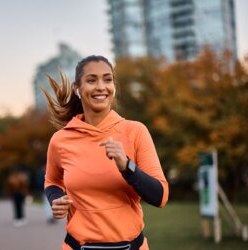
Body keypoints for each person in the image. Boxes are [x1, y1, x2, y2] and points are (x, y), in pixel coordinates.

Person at [43, 55, 169, 250]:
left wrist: (127, 166)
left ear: (114, 86)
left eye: (107, 79)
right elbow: (52, 181)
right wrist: (56, 199)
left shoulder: (135, 131)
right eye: (92, 80)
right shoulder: (60, 140)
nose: (101, 86)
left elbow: (160, 196)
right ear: (78, 89)